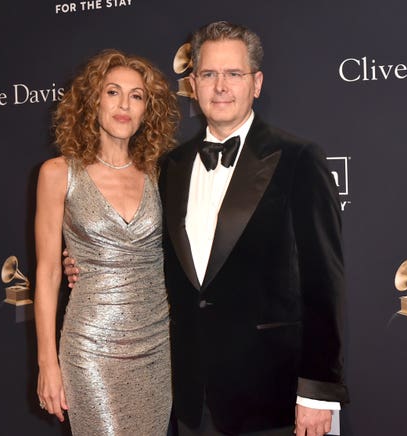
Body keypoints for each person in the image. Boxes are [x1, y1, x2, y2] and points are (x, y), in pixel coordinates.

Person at [65, 21, 348, 436]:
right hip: (189, 397)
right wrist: (83, 264)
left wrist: (317, 393)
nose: (220, 86)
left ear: (256, 83)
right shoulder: (168, 168)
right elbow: (140, 250)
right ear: (193, 84)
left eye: (233, 74)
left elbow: (325, 283)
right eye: (209, 74)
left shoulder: (298, 158)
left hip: (274, 397)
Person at [34, 49, 179, 436]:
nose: (124, 105)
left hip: (156, 345)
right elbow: (48, 272)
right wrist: (47, 362)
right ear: (93, 100)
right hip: (91, 347)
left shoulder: (162, 175)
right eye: (113, 92)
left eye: (137, 96)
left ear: (148, 109)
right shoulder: (58, 173)